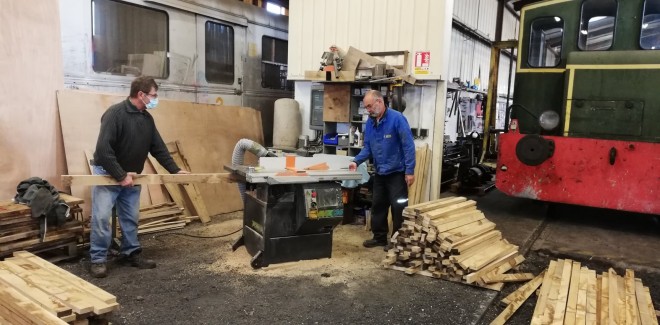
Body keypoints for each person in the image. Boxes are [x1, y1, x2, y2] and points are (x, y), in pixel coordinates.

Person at [90, 76, 189, 278]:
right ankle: (98, 259)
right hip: (107, 175)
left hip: (132, 177)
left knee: (130, 217)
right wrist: (119, 175)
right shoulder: (115, 114)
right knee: (101, 218)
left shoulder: (146, 118)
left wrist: (175, 170)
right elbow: (102, 151)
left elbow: (158, 149)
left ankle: (130, 253)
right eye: (153, 95)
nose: (155, 99)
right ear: (141, 94)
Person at [349, 90, 415, 250]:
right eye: (366, 107)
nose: (368, 110)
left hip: (397, 173)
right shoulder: (370, 123)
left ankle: (397, 241)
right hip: (380, 173)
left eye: (370, 106)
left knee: (398, 208)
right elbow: (368, 148)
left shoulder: (397, 119)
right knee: (378, 205)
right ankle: (379, 237)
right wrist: (356, 161)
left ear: (379, 102)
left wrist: (410, 171)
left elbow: (408, 146)